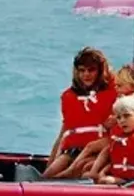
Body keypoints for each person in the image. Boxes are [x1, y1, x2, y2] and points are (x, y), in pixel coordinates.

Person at [62, 61, 134, 179]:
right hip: (116, 136)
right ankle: (70, 171)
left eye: (120, 86)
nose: (116, 88)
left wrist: (116, 116)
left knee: (94, 148)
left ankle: (72, 172)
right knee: (91, 149)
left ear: (133, 85)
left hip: (125, 138)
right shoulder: (122, 97)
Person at [42, 47, 117, 178]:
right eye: (82, 70)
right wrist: (51, 161)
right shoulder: (68, 96)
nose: (86, 75)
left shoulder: (114, 93)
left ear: (100, 71)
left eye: (91, 70)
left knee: (79, 168)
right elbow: (64, 132)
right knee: (48, 176)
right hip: (72, 151)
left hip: (98, 151)